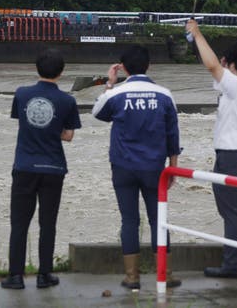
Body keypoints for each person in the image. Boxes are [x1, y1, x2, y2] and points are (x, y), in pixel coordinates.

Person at [92, 45, 181, 290]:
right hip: (154, 167)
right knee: (158, 220)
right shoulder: (164, 95)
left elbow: (98, 113)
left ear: (124, 68)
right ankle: (166, 274)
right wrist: (173, 166)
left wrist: (110, 83)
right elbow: (173, 133)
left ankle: (132, 278)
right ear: (149, 66)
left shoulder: (117, 94)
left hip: (123, 166)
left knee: (129, 221)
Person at [186, 19, 237, 278]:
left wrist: (197, 33)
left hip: (231, 156)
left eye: (226, 62)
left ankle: (232, 265)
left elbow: (211, 66)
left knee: (231, 213)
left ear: (232, 65)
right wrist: (195, 41)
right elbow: (212, 67)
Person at [1, 49, 82, 290]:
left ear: (36, 69)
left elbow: (23, 121)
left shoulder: (22, 94)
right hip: (53, 167)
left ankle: (15, 276)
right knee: (48, 223)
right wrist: (53, 128)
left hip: (24, 166)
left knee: (19, 223)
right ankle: (44, 275)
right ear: (62, 72)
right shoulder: (67, 101)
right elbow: (68, 136)